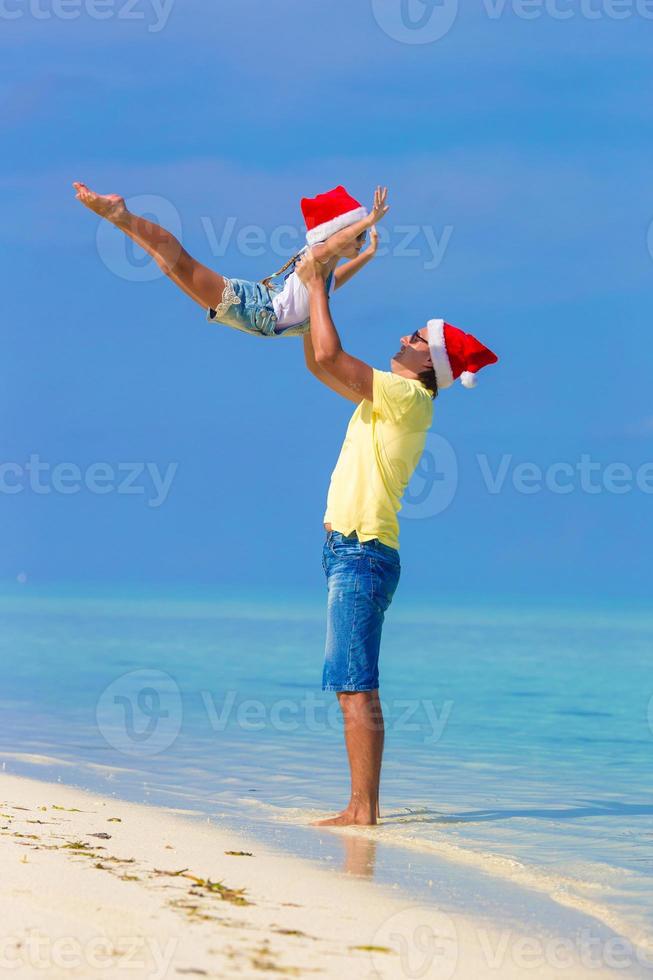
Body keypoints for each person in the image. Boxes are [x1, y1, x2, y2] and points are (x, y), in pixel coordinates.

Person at [296, 249, 498, 826]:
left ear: (425, 360)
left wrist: (315, 287)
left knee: (356, 684)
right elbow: (319, 363)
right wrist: (302, 307)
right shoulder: (390, 399)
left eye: (413, 337)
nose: (402, 337)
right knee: (350, 684)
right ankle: (362, 806)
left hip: (362, 551)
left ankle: (363, 811)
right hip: (350, 551)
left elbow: (332, 353)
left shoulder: (407, 397)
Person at [72, 182, 389, 337]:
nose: (359, 243)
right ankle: (121, 215)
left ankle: (119, 219)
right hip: (256, 307)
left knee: (169, 268)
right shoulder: (318, 255)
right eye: (357, 237)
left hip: (257, 316)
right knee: (180, 263)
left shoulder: (324, 273)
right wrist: (367, 220)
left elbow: (336, 281)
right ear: (339, 233)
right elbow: (331, 244)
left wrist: (369, 255)